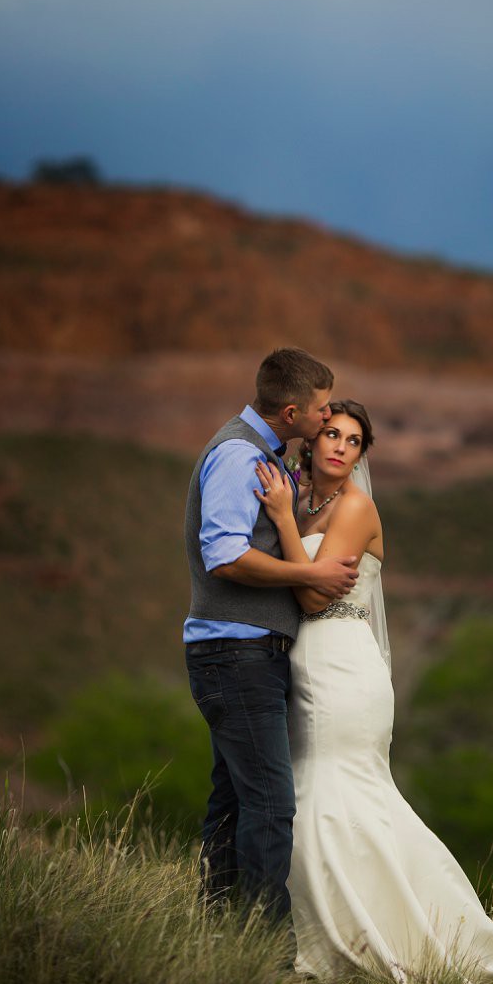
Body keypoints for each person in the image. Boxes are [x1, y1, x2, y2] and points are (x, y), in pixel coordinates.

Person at [253, 399, 493, 984]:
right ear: (310, 442)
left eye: (354, 440)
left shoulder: (355, 507)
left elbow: (316, 601)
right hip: (305, 665)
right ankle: (342, 930)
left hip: (343, 666)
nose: (341, 446)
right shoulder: (304, 498)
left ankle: (363, 941)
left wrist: (285, 521)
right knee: (323, 794)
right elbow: (299, 581)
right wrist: (288, 517)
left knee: (327, 792)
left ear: (363, 454)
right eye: (331, 435)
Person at [183, 349, 361, 925]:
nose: (328, 417)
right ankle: (263, 945)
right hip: (235, 653)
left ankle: (215, 931)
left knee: (235, 801)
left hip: (244, 653)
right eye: (321, 409)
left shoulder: (266, 456)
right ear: (291, 413)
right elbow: (226, 556)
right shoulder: (239, 455)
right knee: (270, 803)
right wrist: (310, 573)